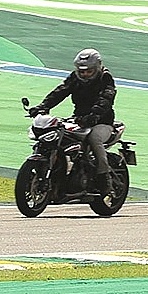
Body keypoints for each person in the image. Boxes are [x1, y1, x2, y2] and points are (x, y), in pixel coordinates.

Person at [34, 48, 119, 196]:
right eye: (82, 71)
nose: (85, 74)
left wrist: (95, 115)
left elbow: (106, 98)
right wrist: (43, 106)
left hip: (103, 121)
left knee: (94, 138)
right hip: (79, 119)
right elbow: (61, 90)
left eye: (89, 71)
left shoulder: (105, 78)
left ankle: (104, 178)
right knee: (59, 134)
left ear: (97, 68)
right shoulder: (75, 77)